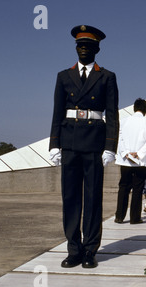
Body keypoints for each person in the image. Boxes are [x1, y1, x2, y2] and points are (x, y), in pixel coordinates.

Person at [49, 25, 119, 269]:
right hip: (69, 142)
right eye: (80, 46)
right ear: (75, 48)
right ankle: (73, 249)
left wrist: (110, 146)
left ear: (97, 49)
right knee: (70, 198)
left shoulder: (107, 77)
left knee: (92, 198)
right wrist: (54, 144)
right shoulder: (63, 76)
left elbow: (112, 114)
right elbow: (57, 112)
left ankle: (90, 250)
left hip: (94, 144)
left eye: (88, 46)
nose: (83, 50)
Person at [115, 98, 146, 224]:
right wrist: (139, 154)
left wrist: (126, 153)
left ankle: (119, 216)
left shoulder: (124, 121)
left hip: (125, 160)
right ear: (145, 110)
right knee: (138, 188)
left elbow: (119, 139)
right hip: (140, 161)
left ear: (134, 108)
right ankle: (135, 218)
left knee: (123, 187)